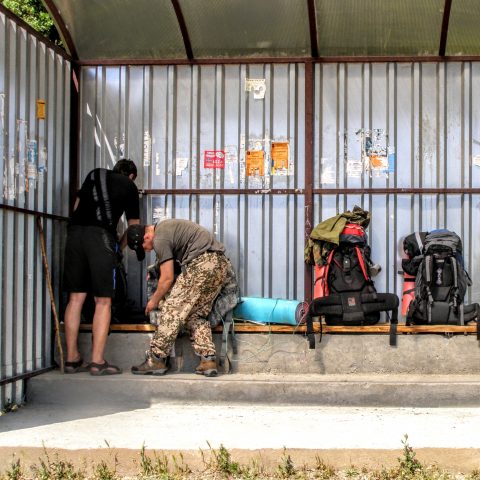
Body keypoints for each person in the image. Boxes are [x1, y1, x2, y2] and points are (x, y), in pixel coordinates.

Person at [63, 159, 140, 375]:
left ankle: (71, 359)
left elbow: (76, 207)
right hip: (101, 238)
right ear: (131, 176)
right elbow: (134, 229)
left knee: (75, 298)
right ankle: (97, 361)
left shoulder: (94, 173)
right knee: (103, 301)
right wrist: (118, 249)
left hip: (75, 235)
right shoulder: (129, 186)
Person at [127, 219, 231, 377]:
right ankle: (208, 360)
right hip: (220, 266)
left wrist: (153, 301)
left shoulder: (160, 237)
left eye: (146, 248)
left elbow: (167, 278)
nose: (149, 251)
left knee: (171, 309)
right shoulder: (167, 229)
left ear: (147, 237)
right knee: (195, 315)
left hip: (201, 265)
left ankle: (156, 360)